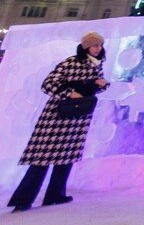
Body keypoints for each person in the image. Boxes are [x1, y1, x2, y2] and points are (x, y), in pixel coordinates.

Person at [7, 31, 110, 213]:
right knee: (42, 158)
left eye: (100, 45)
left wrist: (102, 85)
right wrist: (69, 93)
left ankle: (55, 194)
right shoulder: (71, 62)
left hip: (78, 118)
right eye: (94, 45)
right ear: (86, 46)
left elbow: (90, 88)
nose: (97, 48)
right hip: (57, 117)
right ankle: (23, 199)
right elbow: (48, 84)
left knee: (67, 156)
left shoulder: (97, 65)